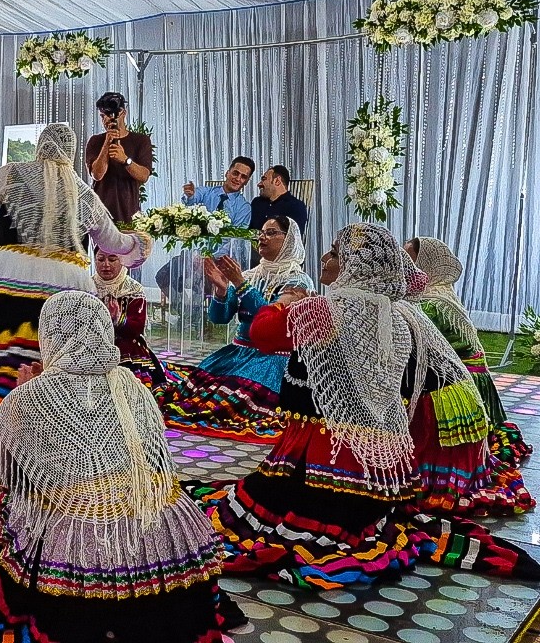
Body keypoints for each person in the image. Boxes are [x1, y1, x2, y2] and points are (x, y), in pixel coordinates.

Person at [191, 223, 539, 589]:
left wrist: (284, 303)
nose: (324, 258)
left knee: (252, 515)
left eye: (334, 253)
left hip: (320, 459)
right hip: (380, 472)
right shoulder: (405, 314)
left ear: (355, 265)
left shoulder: (326, 310)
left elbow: (264, 333)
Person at [0, 291, 242, 643]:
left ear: (48, 335)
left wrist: (27, 405)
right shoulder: (134, 386)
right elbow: (152, 463)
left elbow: (3, 473)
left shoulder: (24, 399)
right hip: (152, 528)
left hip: (75, 544)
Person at [0, 123, 151, 451]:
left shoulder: (13, 174)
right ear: (69, 151)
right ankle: (58, 429)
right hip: (66, 287)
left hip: (11, 279)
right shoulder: (82, 192)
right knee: (60, 352)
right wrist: (138, 243)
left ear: (41, 145)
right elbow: (113, 241)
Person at [157, 217, 312, 442]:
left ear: (287, 240)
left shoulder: (298, 282)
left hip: (270, 359)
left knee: (229, 402)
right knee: (193, 393)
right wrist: (221, 291)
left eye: (271, 233)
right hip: (237, 353)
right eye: (261, 232)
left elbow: (270, 323)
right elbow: (219, 318)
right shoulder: (251, 275)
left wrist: (239, 284)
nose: (262, 237)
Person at [407, 236, 531, 468]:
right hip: (468, 376)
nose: (403, 266)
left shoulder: (431, 304)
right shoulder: (438, 293)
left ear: (425, 265)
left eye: (409, 260)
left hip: (462, 382)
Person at [154, 157, 255, 304]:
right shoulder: (208, 192)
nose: (238, 178)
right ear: (227, 173)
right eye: (235, 173)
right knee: (163, 276)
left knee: (200, 279)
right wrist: (190, 195)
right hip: (194, 254)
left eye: (243, 177)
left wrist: (208, 257)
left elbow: (234, 242)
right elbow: (193, 199)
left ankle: (203, 317)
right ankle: (187, 314)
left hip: (221, 259)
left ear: (246, 181)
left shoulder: (244, 208)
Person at [94, 249, 167, 387]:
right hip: (93, 344)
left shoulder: (133, 289)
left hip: (127, 345)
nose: (106, 265)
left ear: (122, 261)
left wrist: (118, 318)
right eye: (101, 259)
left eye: (112, 259)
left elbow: (137, 327)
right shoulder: (87, 287)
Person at [85, 92, 153, 224]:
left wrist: (125, 160)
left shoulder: (141, 141)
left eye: (109, 115)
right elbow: (97, 175)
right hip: (101, 214)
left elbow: (144, 176)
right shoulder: (95, 141)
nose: (105, 120)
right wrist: (107, 142)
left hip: (130, 213)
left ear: (123, 113)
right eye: (102, 116)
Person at [249, 165, 308, 233]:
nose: (259, 184)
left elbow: (293, 239)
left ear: (277, 181)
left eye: (264, 179)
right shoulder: (257, 203)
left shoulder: (295, 206)